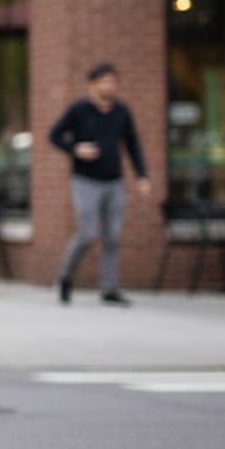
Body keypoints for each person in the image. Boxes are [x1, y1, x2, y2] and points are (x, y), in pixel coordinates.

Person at [48, 63, 150, 307]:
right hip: (85, 182)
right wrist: (76, 149)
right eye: (105, 81)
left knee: (113, 236)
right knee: (87, 234)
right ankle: (66, 277)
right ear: (93, 85)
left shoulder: (122, 112)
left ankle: (109, 289)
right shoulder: (79, 110)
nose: (110, 86)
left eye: (113, 81)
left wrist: (142, 176)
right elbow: (54, 135)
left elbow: (132, 144)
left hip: (114, 182)